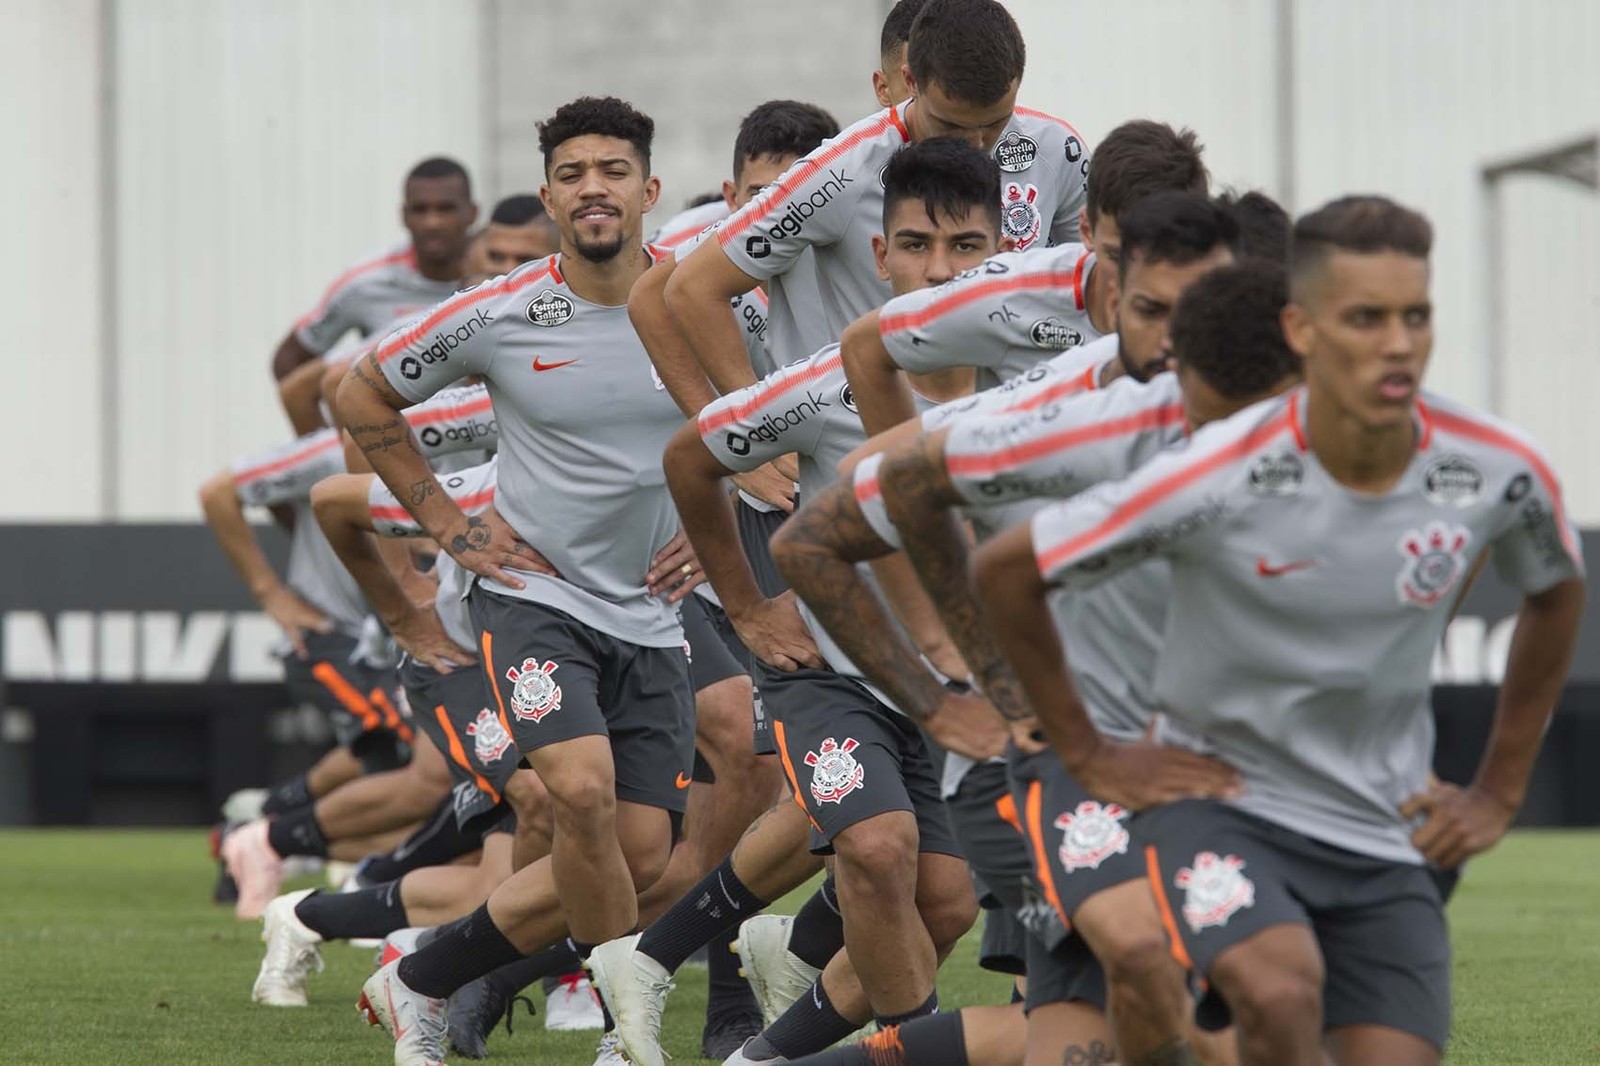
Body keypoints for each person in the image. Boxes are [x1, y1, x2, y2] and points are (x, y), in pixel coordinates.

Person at [974, 196, 1586, 1065]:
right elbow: (1008, 571)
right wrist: (1089, 753)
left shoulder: (1497, 467)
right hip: (1224, 807)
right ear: (1301, 329)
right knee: (1278, 989)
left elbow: (1556, 591)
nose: (1398, 343)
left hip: (1381, 823)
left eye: (1415, 316)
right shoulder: (1219, 469)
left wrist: (1496, 791)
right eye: (1366, 319)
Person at [773, 250, 1297, 1066]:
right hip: (1049, 771)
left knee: (1067, 1036)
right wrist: (947, 682)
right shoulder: (1091, 409)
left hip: (1191, 775)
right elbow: (861, 486)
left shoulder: (1338, 447)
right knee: (1157, 968)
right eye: (1152, 305)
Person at [594, 137, 1008, 1066]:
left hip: (963, 691)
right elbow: (691, 460)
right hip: (833, 673)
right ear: (880, 256)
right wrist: (747, 606)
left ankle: (761, 1055)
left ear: (1004, 251)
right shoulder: (825, 384)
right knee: (876, 850)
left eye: (965, 248)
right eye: (915, 246)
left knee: (945, 905)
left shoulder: (1041, 373)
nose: (938, 271)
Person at [337, 96, 699, 1066]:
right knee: (577, 793)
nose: (593, 188)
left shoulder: (703, 301)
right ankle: (628, 1037)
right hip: (534, 598)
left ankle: (419, 975)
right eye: (572, 174)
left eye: (613, 171)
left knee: (640, 856)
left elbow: (766, 419)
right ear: (548, 199)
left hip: (653, 614)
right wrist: (446, 525)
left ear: (649, 189)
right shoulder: (498, 313)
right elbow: (359, 391)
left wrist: (719, 536)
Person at [665, 0, 1091, 401]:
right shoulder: (840, 172)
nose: (978, 144)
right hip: (864, 438)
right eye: (952, 125)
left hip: (1000, 435)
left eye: (997, 123)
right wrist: (756, 430)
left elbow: (1094, 295)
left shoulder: (1059, 151)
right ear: (911, 82)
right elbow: (685, 288)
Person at [203, 386, 499, 919]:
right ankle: (278, 839)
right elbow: (220, 491)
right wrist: (273, 595)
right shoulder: (337, 446)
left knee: (419, 774)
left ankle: (290, 837)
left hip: (413, 630)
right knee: (414, 761)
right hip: (346, 636)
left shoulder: (473, 431)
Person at [841, 120, 1209, 443]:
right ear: (1086, 230)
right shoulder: (1012, 291)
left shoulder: (1228, 309)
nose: (1136, 280)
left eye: (1166, 259)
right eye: (1117, 255)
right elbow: (863, 347)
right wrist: (909, 493)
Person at [271, 157, 478, 388]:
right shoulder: (366, 281)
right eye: (420, 210)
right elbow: (289, 359)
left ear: (472, 212)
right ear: (404, 215)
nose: (432, 222)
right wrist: (345, 410)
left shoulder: (499, 275)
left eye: (446, 209)